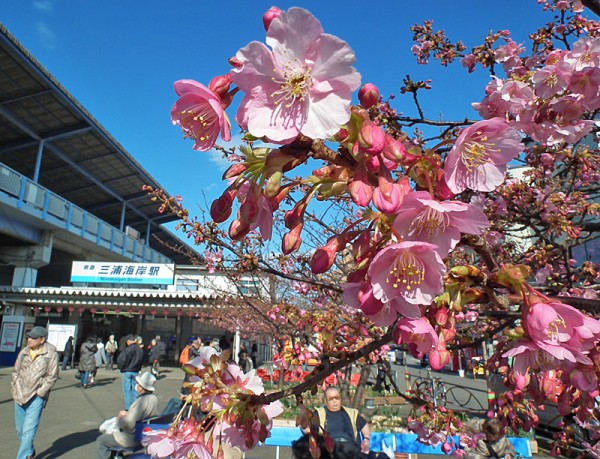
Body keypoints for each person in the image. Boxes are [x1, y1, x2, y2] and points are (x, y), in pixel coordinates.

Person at [11, 326, 59, 459]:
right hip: (19, 394)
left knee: (29, 431)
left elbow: (52, 376)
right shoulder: (24, 352)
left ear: (42, 340)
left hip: (36, 397)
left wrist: (40, 392)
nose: (30, 340)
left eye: (33, 338)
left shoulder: (51, 354)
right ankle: (29, 450)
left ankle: (22, 457)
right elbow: (16, 372)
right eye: (29, 337)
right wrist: (16, 386)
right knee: (20, 430)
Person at [95, 371, 159, 459]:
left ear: (142, 387)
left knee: (101, 440)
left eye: (138, 384)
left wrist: (120, 419)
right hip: (144, 435)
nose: (137, 385)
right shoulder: (154, 398)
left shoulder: (141, 402)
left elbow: (129, 424)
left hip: (132, 438)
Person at [312, 386, 371, 457]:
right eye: (331, 398)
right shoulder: (319, 414)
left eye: (337, 398)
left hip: (350, 448)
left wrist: (366, 439)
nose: (335, 401)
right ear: (325, 400)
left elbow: (364, 425)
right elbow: (307, 427)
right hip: (330, 448)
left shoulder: (351, 413)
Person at [117, 334, 144, 409]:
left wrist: (121, 367)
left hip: (127, 371)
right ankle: (136, 405)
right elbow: (141, 360)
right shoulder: (140, 350)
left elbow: (121, 360)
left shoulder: (127, 350)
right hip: (135, 371)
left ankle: (128, 407)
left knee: (127, 390)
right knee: (135, 389)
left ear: (128, 341)